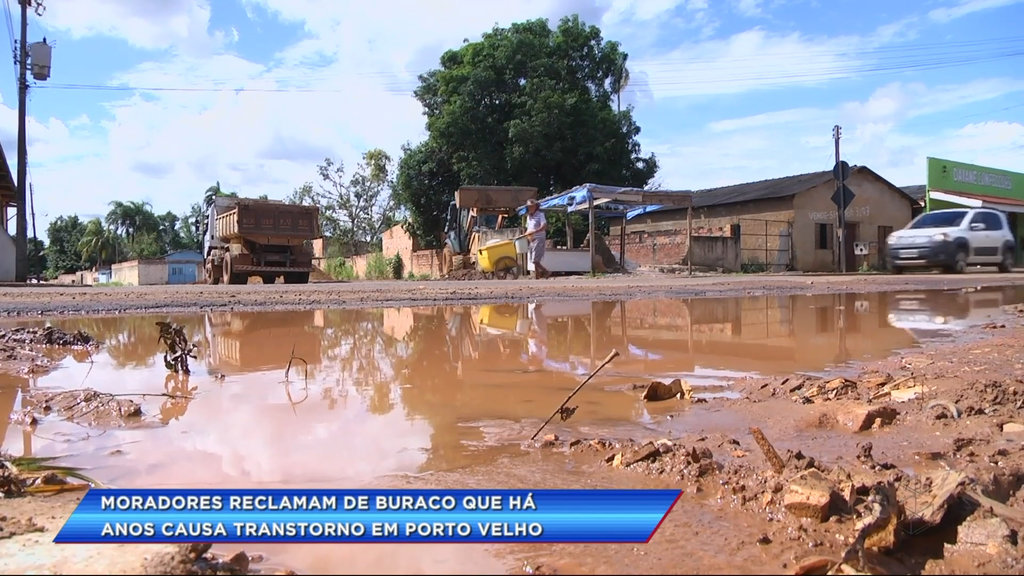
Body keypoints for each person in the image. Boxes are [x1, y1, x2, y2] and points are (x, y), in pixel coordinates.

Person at [523, 198, 550, 279]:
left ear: (536, 207)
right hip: (531, 238)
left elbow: (544, 226)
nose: (530, 208)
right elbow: (528, 228)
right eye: (529, 207)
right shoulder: (528, 217)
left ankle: (546, 271)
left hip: (539, 238)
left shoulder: (540, 215)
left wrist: (535, 231)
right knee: (533, 258)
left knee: (535, 259)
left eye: (532, 206)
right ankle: (537, 276)